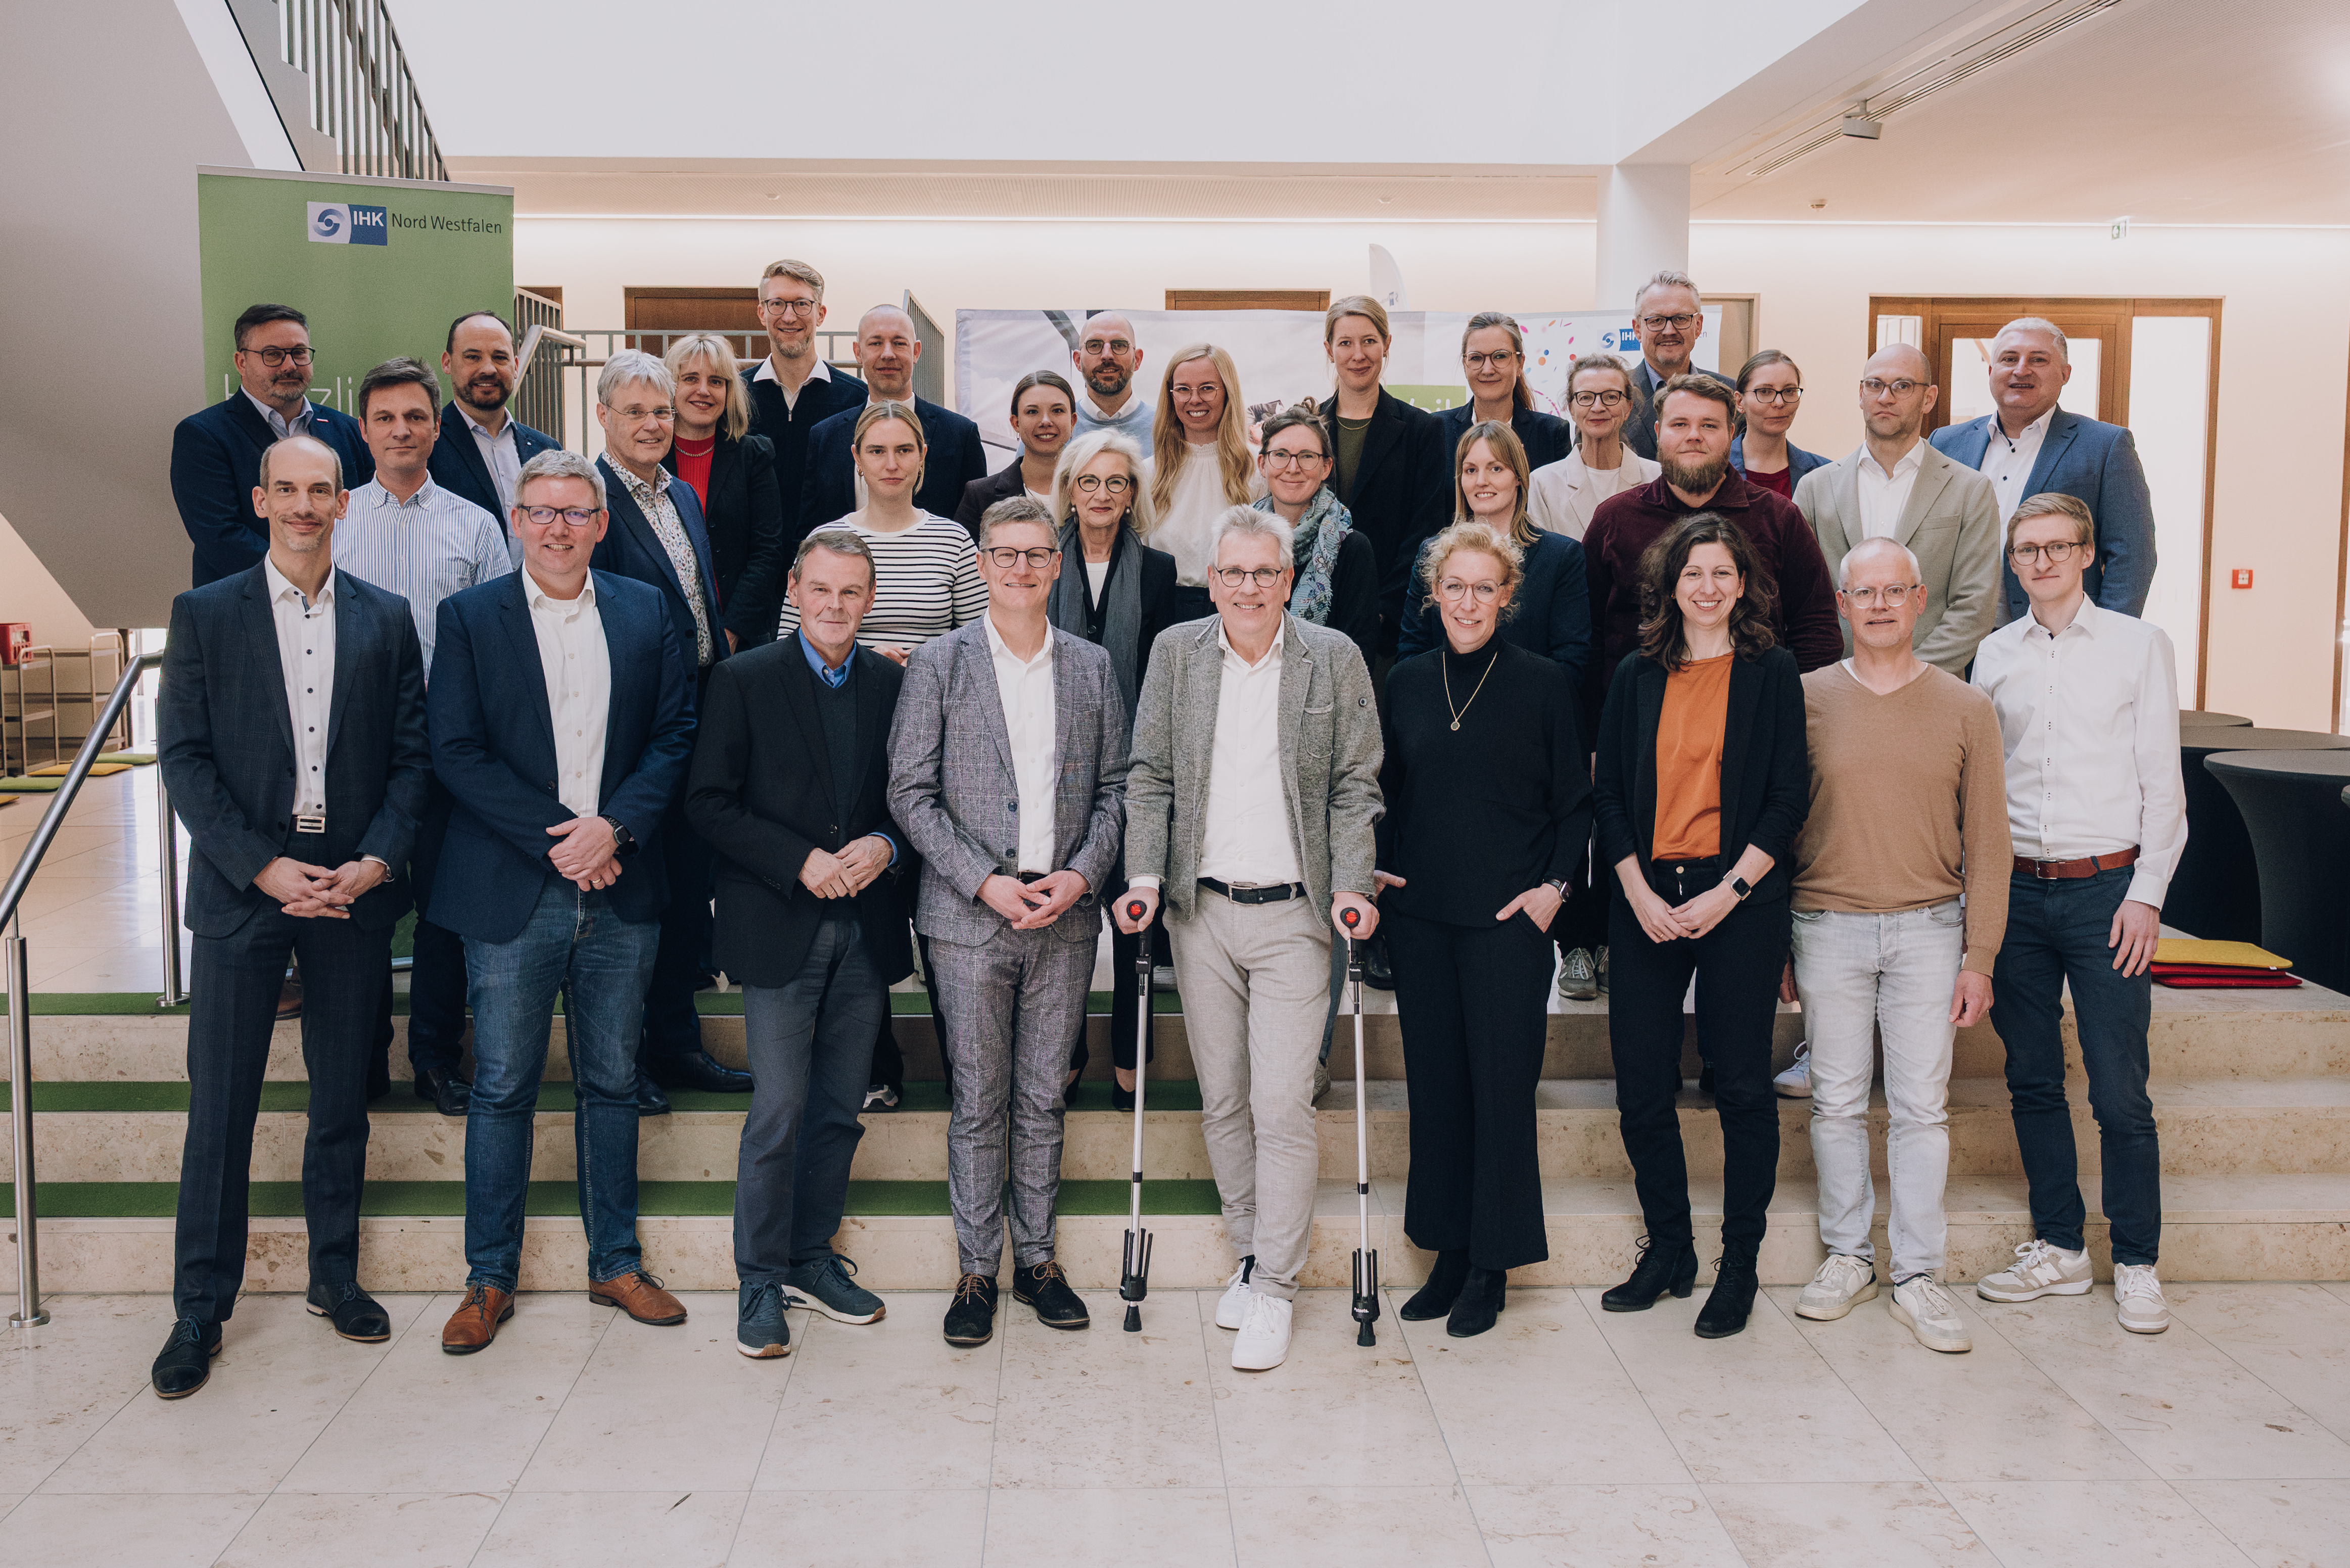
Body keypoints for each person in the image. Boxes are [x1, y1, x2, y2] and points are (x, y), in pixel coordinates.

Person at [151, 434, 428, 1399]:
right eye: (288, 490)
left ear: (343, 504)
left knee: (340, 1098)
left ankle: (333, 1273)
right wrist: (263, 868)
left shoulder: (387, 619)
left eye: (322, 490)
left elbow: (411, 759)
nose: (305, 505)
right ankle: (199, 1305)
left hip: (350, 892)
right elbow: (184, 759)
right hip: (244, 893)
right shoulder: (203, 615)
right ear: (262, 501)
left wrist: (372, 862)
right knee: (220, 1106)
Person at [429, 450, 698, 1355]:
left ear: (601, 522)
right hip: (515, 887)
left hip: (621, 886)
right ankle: (488, 1277)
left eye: (576, 513)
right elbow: (458, 750)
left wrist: (613, 830)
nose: (558, 527)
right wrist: (566, 838)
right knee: (502, 1085)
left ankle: (614, 1260)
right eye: (541, 511)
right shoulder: (469, 617)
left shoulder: (645, 609)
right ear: (515, 518)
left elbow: (674, 736)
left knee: (612, 1082)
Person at [1119, 507, 1384, 1372]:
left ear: (1286, 578)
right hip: (1199, 910)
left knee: (1279, 1102)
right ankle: (1248, 1247)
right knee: (1223, 1095)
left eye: (1263, 573)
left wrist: (1351, 880)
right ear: (1213, 579)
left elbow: (1355, 783)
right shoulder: (1175, 652)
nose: (1247, 588)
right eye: (1231, 573)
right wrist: (1146, 878)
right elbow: (1149, 773)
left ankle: (1275, 1283)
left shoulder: (1332, 657)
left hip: (1296, 916)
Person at [888, 497, 1129, 1347]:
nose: (1021, 568)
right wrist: (984, 881)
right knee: (979, 1097)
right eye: (1005, 554)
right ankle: (976, 1269)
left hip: (1063, 915)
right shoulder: (941, 664)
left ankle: (1038, 1260)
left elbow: (1115, 791)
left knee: (1041, 1095)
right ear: (983, 564)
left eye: (1036, 554)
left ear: (1057, 564)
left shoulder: (1093, 668)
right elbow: (909, 794)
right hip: (970, 917)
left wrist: (1079, 874)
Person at [1782, 536, 2011, 1354]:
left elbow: (1989, 842)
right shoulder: (1804, 698)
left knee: (1921, 1108)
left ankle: (1918, 1274)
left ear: (1919, 601)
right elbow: (1779, 826)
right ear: (1841, 605)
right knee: (1838, 1100)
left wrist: (1979, 955)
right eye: (1862, 591)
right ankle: (1849, 1256)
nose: (1878, 604)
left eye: (1894, 590)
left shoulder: (1965, 706)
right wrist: (1780, 941)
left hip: (1928, 929)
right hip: (1827, 923)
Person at [685, 529, 909, 1358]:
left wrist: (886, 844)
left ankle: (813, 1258)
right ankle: (759, 1276)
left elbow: (912, 795)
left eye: (852, 592)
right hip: (779, 921)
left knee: (838, 1109)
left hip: (867, 927)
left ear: (870, 597)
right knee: (778, 1108)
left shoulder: (892, 681)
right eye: (821, 589)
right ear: (794, 587)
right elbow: (707, 802)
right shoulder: (744, 680)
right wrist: (798, 860)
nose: (835, 605)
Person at [1971, 492, 2186, 1335]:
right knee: (2031, 1079)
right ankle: (2059, 1246)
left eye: (2059, 547)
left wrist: (2148, 894)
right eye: (2028, 550)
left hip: (2108, 889)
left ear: (2089, 554)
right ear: (2014, 562)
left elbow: (2164, 785)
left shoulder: (2140, 646)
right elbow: (1987, 786)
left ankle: (2136, 1259)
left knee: (2119, 1090)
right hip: (2018, 889)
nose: (2044, 562)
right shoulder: (1994, 655)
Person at [1592, 514, 1807, 1340]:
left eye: (1723, 573)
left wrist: (1732, 889)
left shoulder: (1772, 672)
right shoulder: (1637, 674)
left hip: (1739, 902)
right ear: (1671, 585)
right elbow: (1608, 792)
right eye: (1694, 574)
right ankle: (1671, 1251)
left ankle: (1738, 1265)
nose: (1709, 587)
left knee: (1743, 1087)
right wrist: (1637, 891)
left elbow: (1789, 796)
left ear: (1743, 584)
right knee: (1642, 1085)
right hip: (1645, 897)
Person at [1376, 520, 1591, 1339]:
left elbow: (1576, 803)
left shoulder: (1542, 683)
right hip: (1422, 917)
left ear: (1508, 596)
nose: (1468, 601)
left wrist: (1553, 891)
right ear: (1434, 597)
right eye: (1453, 587)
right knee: (1438, 1093)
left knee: (1500, 1093)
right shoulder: (1405, 680)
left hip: (1508, 921)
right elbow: (1388, 791)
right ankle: (1447, 1251)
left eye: (1484, 587)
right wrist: (1380, 867)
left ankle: (1491, 1266)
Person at [777, 400, 985, 1110]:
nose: (891, 462)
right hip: (843, 735)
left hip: (937, 739)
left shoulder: (954, 541)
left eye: (904, 450)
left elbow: (981, 642)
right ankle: (875, 1065)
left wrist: (912, 664)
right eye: (877, 450)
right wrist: (867, 660)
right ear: (856, 459)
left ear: (922, 460)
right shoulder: (825, 538)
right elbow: (791, 641)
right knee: (860, 903)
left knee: (937, 901)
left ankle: (968, 1071)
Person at [336, 357, 510, 1118]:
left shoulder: (475, 525)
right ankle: (358, 1056)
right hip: (355, 752)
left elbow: (504, 643)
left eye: (415, 417)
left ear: (437, 428)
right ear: (364, 430)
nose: (401, 429)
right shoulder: (333, 518)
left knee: (443, 909)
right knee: (360, 906)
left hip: (449, 751)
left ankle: (436, 1058)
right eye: (385, 418)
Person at [589, 351, 747, 1107]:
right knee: (636, 902)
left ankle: (678, 1044)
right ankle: (628, 1062)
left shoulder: (680, 493)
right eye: (636, 412)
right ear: (604, 418)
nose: (653, 424)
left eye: (661, 412)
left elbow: (699, 602)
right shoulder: (590, 502)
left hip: (698, 710)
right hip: (631, 729)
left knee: (687, 891)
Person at [1048, 429, 1178, 1108]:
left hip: (1138, 767)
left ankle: (1131, 1059)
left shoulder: (1158, 570)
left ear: (1132, 495)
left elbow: (1165, 677)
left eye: (1116, 482)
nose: (1102, 494)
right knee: (1066, 929)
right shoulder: (1038, 562)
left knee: (1137, 920)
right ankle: (1065, 1056)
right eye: (1089, 481)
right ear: (1069, 490)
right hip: (1056, 769)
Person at [1584, 375, 1843, 697]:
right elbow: (1586, 634)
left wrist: (1785, 709)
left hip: (1751, 719)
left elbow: (1817, 628)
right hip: (1637, 718)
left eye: (1709, 425)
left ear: (1732, 433)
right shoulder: (1615, 519)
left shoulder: (1778, 518)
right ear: (1658, 433)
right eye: (1679, 424)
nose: (1694, 436)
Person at [1794, 345, 2001, 676]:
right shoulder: (1815, 489)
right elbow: (1799, 599)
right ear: (1861, 395)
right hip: (1835, 690)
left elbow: (1974, 607)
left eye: (1902, 386)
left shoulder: (1970, 490)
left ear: (1929, 398)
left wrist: (1911, 678)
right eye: (1875, 385)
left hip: (1933, 691)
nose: (1885, 397)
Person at [1930, 317, 2156, 619]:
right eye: (2009, 359)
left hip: (2057, 638)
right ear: (1991, 371)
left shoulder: (2106, 445)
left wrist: (2106, 636)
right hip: (1956, 638)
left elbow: (2133, 555)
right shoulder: (1945, 443)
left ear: (2065, 374)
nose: (2021, 370)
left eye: (2038, 360)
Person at [171, 303, 372, 587]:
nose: (289, 365)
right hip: (248, 606)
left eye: (299, 353)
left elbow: (365, 518)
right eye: (273, 355)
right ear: (241, 362)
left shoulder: (349, 430)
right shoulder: (203, 435)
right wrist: (306, 581)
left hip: (341, 602)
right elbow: (222, 537)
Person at [1398, 421, 1590, 688]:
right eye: (1470, 470)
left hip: (1527, 717)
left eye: (1496, 468)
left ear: (1519, 477)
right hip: (1447, 710)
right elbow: (1412, 649)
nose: (1481, 481)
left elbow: (1570, 661)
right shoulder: (1432, 552)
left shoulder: (1562, 557)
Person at [1319, 296, 1450, 670]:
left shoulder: (1422, 430)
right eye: (1345, 343)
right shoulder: (1309, 426)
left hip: (1387, 630)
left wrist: (1380, 612)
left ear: (1387, 344)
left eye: (1369, 341)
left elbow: (1425, 531)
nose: (1357, 354)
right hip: (1311, 616)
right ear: (1329, 350)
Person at [801, 305, 987, 527]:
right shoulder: (825, 436)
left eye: (899, 343)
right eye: (876, 343)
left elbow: (978, 527)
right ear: (858, 352)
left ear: (916, 351)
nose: (888, 354)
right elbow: (809, 528)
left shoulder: (960, 435)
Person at [665, 333, 787, 652]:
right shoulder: (650, 457)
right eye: (690, 378)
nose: (704, 391)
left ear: (729, 392)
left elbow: (767, 551)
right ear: (670, 387)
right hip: (665, 639)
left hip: (741, 641)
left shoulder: (754, 456)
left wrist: (732, 631)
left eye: (716, 381)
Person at [743, 259, 868, 552]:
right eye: (777, 304)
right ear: (762, 313)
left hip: (833, 564)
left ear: (820, 314)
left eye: (802, 304)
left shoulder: (857, 400)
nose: (789, 317)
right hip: (751, 568)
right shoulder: (736, 396)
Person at [1250, 405, 1379, 667]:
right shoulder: (1240, 542)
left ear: (1326, 467)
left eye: (1307, 457)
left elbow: (1358, 655)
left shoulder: (1352, 549)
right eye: (1281, 455)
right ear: (1263, 464)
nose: (1293, 468)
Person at [1147, 343, 1264, 623]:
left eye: (1208, 388)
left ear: (1227, 393)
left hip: (1239, 611)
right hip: (1164, 613)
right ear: (1170, 395)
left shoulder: (1257, 468)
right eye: (1183, 389)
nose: (1194, 399)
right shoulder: (1149, 472)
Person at [429, 311, 560, 531]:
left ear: (516, 366)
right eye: (473, 357)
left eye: (500, 357)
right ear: (447, 363)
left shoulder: (547, 450)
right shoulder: (428, 446)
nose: (488, 369)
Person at [1528, 352, 1661, 542]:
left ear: (1628, 408)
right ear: (1572, 409)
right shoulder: (1543, 484)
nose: (1598, 407)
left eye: (1611, 396)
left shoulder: (1657, 478)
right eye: (1586, 397)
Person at [1620, 272, 1735, 462]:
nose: (1669, 331)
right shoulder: (1613, 397)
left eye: (1680, 319)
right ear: (1638, 329)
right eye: (1656, 320)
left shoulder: (1732, 393)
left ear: (1698, 326)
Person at [1438, 312, 1572, 473]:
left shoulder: (1551, 434)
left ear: (1520, 363)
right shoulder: (1437, 430)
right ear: (1465, 365)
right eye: (1476, 358)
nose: (1487, 370)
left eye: (1500, 356)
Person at [956, 370, 1076, 532]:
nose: (1046, 421)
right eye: (1033, 412)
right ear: (1016, 423)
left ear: (1073, 421)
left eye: (1057, 411)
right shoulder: (980, 496)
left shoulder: (1094, 490)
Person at [1726, 350, 1827, 501]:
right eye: (1765, 391)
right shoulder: (1716, 469)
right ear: (1740, 402)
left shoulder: (1823, 473)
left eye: (1789, 391)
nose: (1779, 403)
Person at [1069, 311, 1153, 443]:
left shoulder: (1165, 427)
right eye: (1095, 345)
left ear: (1137, 360)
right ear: (1078, 361)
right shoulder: (1057, 428)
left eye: (1119, 345)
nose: (1107, 355)